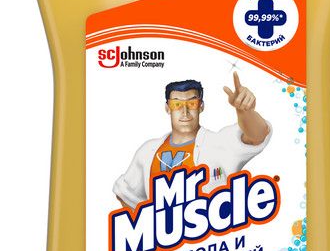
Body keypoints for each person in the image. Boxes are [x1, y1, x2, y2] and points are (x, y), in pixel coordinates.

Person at [113, 72, 272, 209]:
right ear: (167, 108)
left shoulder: (220, 143)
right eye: (177, 104)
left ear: (201, 106)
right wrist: (148, 227)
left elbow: (257, 136)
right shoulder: (148, 151)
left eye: (191, 103)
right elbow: (125, 193)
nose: (185, 111)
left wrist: (245, 112)